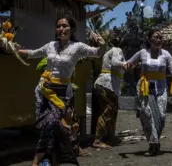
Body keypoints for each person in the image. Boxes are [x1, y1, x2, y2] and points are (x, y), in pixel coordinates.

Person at [8, 17, 106, 166]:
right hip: (44, 91)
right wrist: (13, 48)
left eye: (65, 26)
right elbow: (33, 53)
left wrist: (102, 44)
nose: (61, 29)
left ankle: (38, 160)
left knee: (53, 123)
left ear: (72, 29)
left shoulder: (77, 47)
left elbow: (98, 53)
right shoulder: (50, 46)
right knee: (48, 126)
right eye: (58, 26)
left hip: (61, 95)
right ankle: (49, 160)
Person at [125, 29, 172, 156]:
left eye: (161, 37)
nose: (159, 39)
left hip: (161, 87)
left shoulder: (166, 54)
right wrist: (125, 66)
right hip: (145, 87)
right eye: (156, 37)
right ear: (149, 39)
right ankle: (153, 144)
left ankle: (155, 140)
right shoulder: (142, 53)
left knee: (161, 116)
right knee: (147, 114)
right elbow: (129, 64)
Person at [91, 37, 127, 149]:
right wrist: (126, 64)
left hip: (102, 83)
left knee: (105, 110)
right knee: (110, 110)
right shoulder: (117, 50)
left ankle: (108, 137)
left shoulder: (108, 52)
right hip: (107, 84)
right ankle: (98, 140)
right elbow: (116, 63)